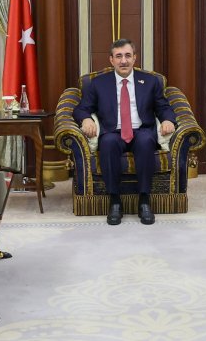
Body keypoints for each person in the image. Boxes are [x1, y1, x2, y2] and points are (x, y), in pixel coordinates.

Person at [75, 39, 176, 225]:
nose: (124, 61)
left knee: (146, 142)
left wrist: (168, 120)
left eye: (128, 56)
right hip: (113, 131)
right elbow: (81, 108)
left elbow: (163, 106)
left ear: (135, 58)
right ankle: (115, 201)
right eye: (119, 56)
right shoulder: (98, 83)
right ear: (111, 60)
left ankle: (144, 200)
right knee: (108, 143)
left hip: (141, 129)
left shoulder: (151, 81)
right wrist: (86, 118)